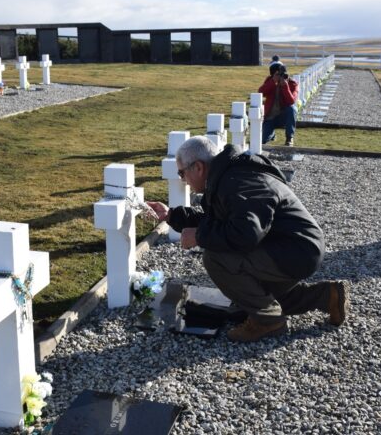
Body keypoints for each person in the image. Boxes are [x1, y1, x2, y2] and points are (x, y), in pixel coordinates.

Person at [147, 136, 349, 343]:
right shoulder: (228, 176)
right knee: (253, 299)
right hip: (290, 246)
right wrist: (171, 215)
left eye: (182, 173)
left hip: (296, 250)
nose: (183, 180)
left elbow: (245, 234)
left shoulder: (238, 182)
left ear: (198, 167)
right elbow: (218, 221)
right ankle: (327, 296)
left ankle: (269, 321)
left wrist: (199, 236)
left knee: (215, 258)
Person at [259, 56, 299, 146]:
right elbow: (261, 93)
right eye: (277, 74)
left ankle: (289, 138)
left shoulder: (292, 84)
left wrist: (285, 86)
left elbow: (291, 101)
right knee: (263, 140)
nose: (280, 76)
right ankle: (272, 135)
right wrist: (273, 81)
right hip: (270, 117)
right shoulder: (270, 80)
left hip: (284, 117)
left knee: (292, 109)